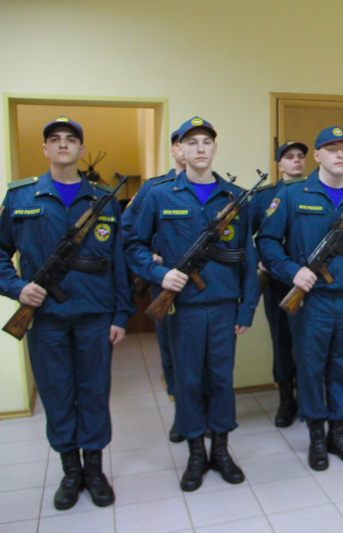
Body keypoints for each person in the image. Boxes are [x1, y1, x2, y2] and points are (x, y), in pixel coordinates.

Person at [0, 116, 134, 510]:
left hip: (95, 315)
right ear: (45, 149)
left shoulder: (104, 200)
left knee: (94, 392)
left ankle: (94, 468)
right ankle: (70, 471)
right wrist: (16, 287)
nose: (62, 145)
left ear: (80, 149)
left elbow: (119, 263)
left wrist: (121, 315)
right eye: (54, 139)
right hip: (44, 320)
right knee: (58, 394)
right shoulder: (21, 198)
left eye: (71, 139)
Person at [126, 116, 259, 491]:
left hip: (222, 308)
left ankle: (221, 449)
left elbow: (245, 255)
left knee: (220, 380)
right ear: (180, 150)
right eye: (192, 142)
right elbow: (133, 245)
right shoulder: (159, 195)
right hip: (180, 309)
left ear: (215, 149)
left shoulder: (235, 198)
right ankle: (195, 454)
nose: (200, 148)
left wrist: (246, 307)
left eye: (206, 142)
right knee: (187, 381)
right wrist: (159, 276)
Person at [257, 126, 343, 471]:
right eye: (332, 148)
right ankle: (315, 434)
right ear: (318, 155)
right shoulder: (295, 195)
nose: (340, 155)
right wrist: (291, 271)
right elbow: (265, 241)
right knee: (311, 369)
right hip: (312, 301)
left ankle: (338, 433)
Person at [120, 127, 187, 443]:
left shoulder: (219, 190)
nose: (189, 149)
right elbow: (128, 231)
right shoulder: (153, 189)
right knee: (171, 349)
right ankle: (180, 411)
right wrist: (152, 262)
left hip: (202, 286)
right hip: (165, 283)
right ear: (174, 150)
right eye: (181, 144)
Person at [249, 140, 308, 427]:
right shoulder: (263, 198)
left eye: (300, 157)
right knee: (282, 343)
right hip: (277, 282)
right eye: (289, 157)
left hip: (309, 282)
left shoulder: (317, 192)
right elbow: (242, 238)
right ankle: (287, 400)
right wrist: (259, 259)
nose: (296, 161)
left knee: (310, 341)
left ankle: (310, 397)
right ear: (279, 164)